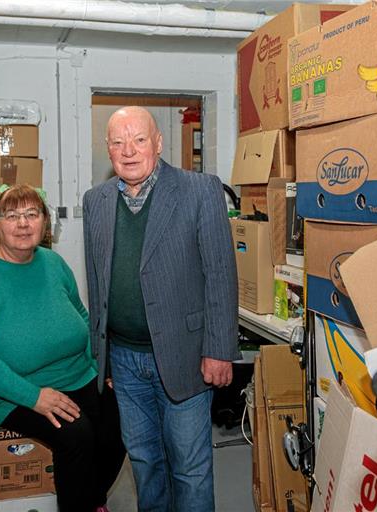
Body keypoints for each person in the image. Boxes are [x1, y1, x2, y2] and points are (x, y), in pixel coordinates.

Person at [83, 106, 239, 512]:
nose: (128, 150)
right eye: (118, 142)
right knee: (145, 462)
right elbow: (97, 282)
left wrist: (219, 349)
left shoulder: (199, 190)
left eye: (138, 139)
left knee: (189, 467)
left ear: (159, 143)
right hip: (125, 361)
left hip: (186, 356)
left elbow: (221, 274)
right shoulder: (96, 201)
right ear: (108, 149)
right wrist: (105, 362)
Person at [0, 184, 125, 512]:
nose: (23, 224)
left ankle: (91, 498)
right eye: (12, 215)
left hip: (74, 373)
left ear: (45, 223)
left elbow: (83, 318)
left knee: (121, 419)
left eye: (32, 214)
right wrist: (35, 397)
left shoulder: (54, 263)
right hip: (7, 391)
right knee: (77, 434)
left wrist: (103, 368)